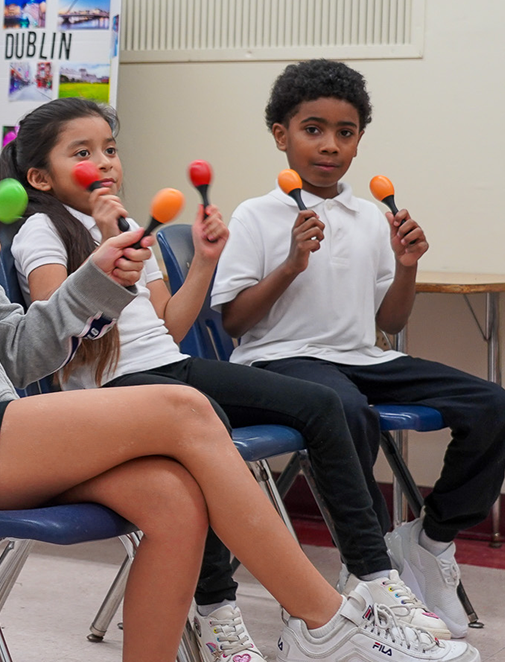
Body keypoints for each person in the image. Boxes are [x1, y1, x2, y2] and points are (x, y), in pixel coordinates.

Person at [0, 41, 475, 662]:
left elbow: (18, 356)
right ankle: (328, 622)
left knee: (172, 500)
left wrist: (93, 285)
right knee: (181, 406)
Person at [4, 97, 448, 656]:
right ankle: (215, 610)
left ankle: (373, 580)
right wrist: (102, 272)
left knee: (320, 404)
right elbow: (55, 338)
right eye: (84, 153)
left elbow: (170, 323)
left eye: (111, 150)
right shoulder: (41, 232)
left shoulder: (130, 225)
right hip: (106, 391)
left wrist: (206, 263)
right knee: (202, 425)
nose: (106, 163)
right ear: (41, 175)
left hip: (169, 367)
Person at [213, 58, 505, 639]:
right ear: (281, 135)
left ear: (359, 141)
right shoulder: (257, 214)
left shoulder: (371, 217)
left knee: (492, 403)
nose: (329, 145)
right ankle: (371, 575)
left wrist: (405, 267)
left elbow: (389, 324)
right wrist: (293, 263)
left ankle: (430, 540)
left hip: (359, 356)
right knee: (345, 410)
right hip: (279, 359)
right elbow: (235, 325)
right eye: (312, 129)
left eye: (344, 133)